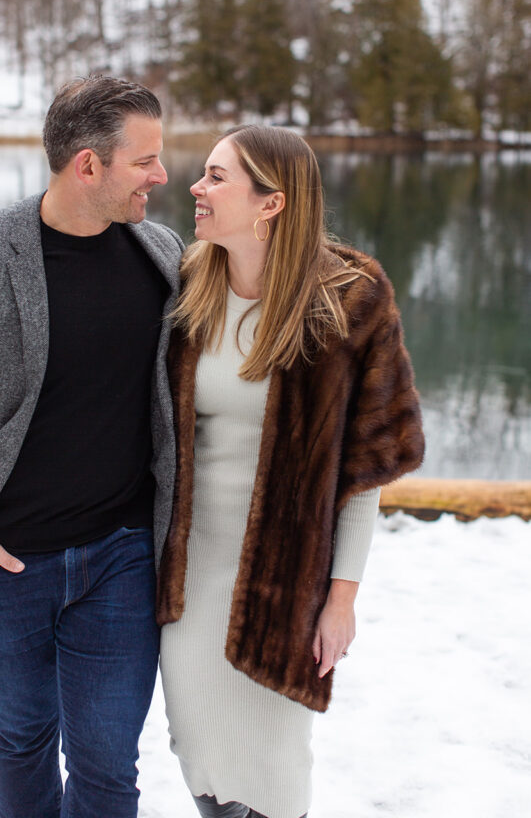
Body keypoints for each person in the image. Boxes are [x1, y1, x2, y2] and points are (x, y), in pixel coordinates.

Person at [0, 75, 184, 818]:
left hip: (121, 556)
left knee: (108, 763)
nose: (162, 174)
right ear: (88, 166)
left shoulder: (162, 252)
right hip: (6, 560)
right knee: (23, 736)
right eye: (145, 159)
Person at [157, 125, 425, 818]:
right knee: (203, 762)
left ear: (270, 202)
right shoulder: (189, 285)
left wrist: (340, 599)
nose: (196, 186)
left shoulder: (350, 299)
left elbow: (360, 473)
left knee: (274, 773)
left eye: (216, 176)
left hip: (286, 582)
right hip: (184, 582)